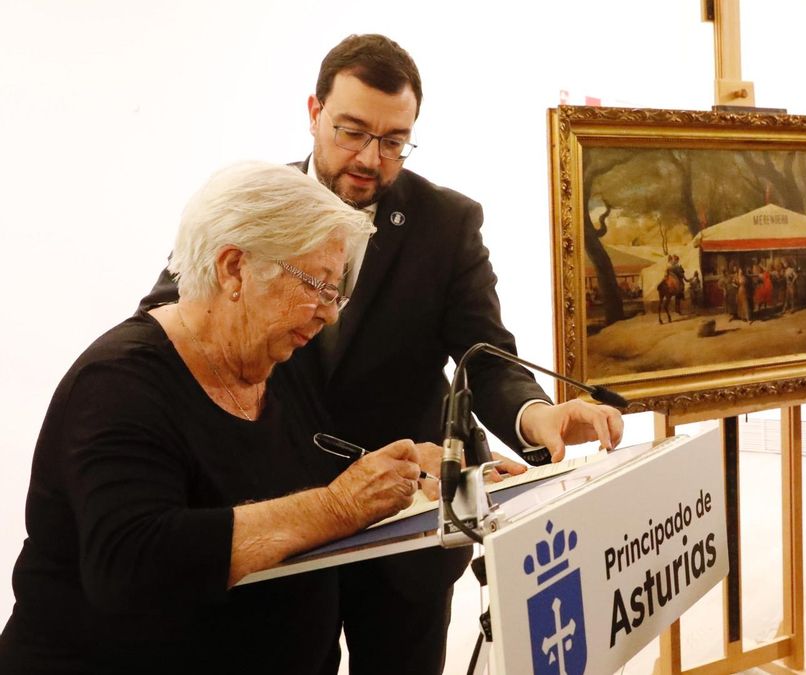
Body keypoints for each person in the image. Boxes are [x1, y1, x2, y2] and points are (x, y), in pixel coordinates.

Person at [140, 34, 624, 674]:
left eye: (395, 140)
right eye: (352, 132)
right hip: (280, 520)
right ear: (313, 112)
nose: (372, 158)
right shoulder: (249, 207)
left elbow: (484, 352)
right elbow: (169, 320)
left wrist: (534, 414)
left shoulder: (446, 223)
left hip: (409, 536)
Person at [0, 162, 425, 674]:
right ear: (233, 268)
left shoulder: (280, 360)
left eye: (337, 292)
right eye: (317, 283)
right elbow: (132, 562)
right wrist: (336, 508)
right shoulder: (118, 384)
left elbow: (313, 466)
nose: (329, 312)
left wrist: (420, 470)